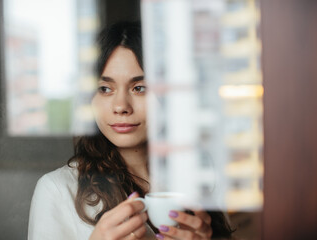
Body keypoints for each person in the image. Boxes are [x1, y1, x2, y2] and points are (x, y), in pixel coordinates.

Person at [28, 21, 233, 240]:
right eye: (105, 89)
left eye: (139, 88)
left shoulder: (199, 176)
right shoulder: (58, 190)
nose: (121, 107)